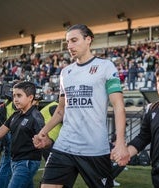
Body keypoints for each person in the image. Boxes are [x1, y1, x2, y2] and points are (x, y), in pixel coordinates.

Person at [33, 24, 128, 188]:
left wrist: (120, 142)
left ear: (88, 40)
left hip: (95, 149)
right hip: (64, 145)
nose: (69, 46)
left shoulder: (106, 67)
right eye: (68, 42)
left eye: (74, 40)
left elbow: (118, 105)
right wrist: (43, 132)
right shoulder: (65, 73)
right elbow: (61, 110)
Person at [0, 98, 16, 188]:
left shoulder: (6, 103)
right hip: (10, 133)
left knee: (4, 164)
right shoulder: (13, 104)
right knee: (7, 166)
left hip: (6, 134)